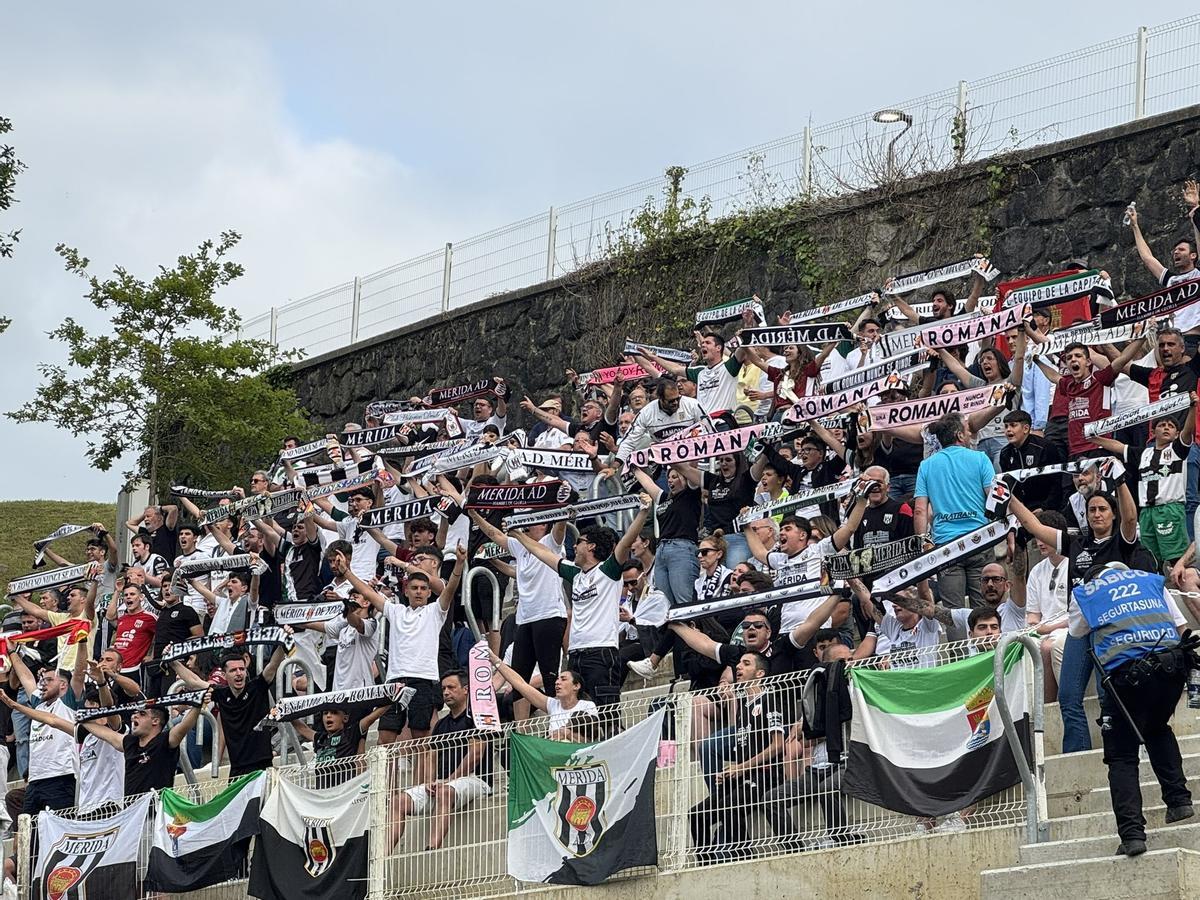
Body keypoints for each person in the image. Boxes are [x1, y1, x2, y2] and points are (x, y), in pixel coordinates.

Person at [1069, 563, 1195, 856]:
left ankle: (1132, 836)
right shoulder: (1150, 580)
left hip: (1128, 678)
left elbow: (1077, 630)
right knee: (1157, 727)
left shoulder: (1087, 591)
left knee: (1122, 757)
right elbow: (1176, 622)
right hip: (1171, 669)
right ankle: (1178, 801)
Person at [506, 497, 651, 707]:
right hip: (575, 655)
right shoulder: (575, 574)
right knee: (575, 717)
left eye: (579, 541)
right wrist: (517, 534)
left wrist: (643, 512)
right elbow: (542, 552)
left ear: (591, 546)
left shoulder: (608, 571)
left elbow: (626, 541)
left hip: (601, 653)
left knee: (605, 715)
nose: (574, 545)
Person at [390, 671, 493, 851]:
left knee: (445, 791)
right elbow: (431, 756)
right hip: (444, 783)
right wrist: (430, 780)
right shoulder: (441, 724)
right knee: (398, 801)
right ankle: (384, 855)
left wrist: (450, 779)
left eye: (451, 687)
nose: (445, 692)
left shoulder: (477, 717)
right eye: (443, 688)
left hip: (477, 779)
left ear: (466, 690)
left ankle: (433, 848)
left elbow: (476, 754)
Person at [913, 412, 997, 608]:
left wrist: (923, 543)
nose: (970, 435)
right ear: (959, 435)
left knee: (954, 613)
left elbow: (920, 510)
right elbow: (995, 498)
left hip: (946, 545)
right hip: (980, 539)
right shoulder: (980, 458)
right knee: (985, 608)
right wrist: (1006, 534)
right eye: (968, 431)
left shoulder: (926, 466)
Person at [171, 640, 288, 778]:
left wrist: (283, 642)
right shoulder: (222, 694)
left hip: (262, 767)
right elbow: (194, 681)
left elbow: (273, 665)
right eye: (233, 670)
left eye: (242, 669)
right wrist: (172, 661)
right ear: (225, 675)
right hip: (237, 770)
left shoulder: (257, 687)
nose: (239, 673)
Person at [81, 695, 207, 796]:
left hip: (157, 813)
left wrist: (197, 703)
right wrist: (82, 718)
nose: (134, 716)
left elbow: (184, 726)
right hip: (133, 815)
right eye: (135, 713)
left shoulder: (165, 741)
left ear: (155, 721)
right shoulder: (130, 743)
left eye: (142, 714)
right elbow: (106, 734)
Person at [488, 654, 597, 739]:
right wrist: (495, 659)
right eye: (557, 679)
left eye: (563, 679)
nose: (557, 682)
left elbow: (590, 740)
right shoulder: (553, 705)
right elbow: (521, 685)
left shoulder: (587, 706)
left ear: (576, 686)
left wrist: (566, 733)